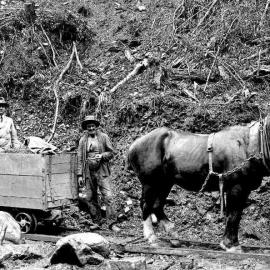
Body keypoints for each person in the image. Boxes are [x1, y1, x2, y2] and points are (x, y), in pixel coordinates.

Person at [77, 115, 120, 230]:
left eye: (92, 126)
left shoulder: (103, 137)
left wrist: (101, 155)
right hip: (88, 172)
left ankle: (112, 223)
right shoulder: (83, 140)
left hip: (101, 171)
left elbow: (112, 152)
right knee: (90, 198)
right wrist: (80, 175)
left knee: (108, 196)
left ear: (96, 126)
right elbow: (80, 158)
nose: (91, 128)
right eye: (88, 126)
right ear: (86, 128)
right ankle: (97, 221)